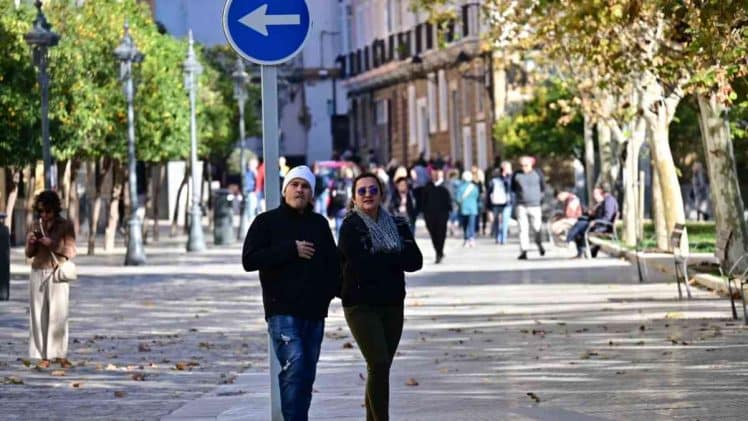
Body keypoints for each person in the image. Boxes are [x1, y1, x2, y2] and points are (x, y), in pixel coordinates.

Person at [242, 165, 340, 421]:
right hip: (282, 311)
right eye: (295, 185)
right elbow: (249, 260)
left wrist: (330, 294)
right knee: (294, 365)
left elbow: (333, 265)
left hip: (314, 312)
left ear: (311, 194)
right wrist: (290, 250)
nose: (300, 189)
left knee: (306, 373)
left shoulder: (319, 224)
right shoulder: (266, 222)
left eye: (305, 186)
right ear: (285, 190)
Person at [338, 173, 423, 421]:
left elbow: (415, 261)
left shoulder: (398, 224)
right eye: (362, 191)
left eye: (372, 190)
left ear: (381, 194)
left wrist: (382, 257)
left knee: (380, 367)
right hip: (360, 305)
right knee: (378, 363)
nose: (367, 195)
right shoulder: (350, 226)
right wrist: (394, 257)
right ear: (354, 198)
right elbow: (360, 266)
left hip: (393, 303)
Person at [25, 190, 76, 369]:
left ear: (55, 209)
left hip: (57, 273)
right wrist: (32, 244)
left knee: (58, 314)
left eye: (48, 211)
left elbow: (71, 251)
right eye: (41, 211)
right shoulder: (35, 225)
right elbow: (29, 254)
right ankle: (42, 355)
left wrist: (51, 244)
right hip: (38, 272)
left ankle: (59, 354)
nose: (44, 215)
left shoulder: (65, 225)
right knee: (39, 315)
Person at [566, 182, 619, 258]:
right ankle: (578, 248)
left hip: (602, 226)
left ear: (601, 191)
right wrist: (592, 213)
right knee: (580, 223)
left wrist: (595, 222)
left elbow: (607, 217)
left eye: (596, 193)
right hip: (598, 224)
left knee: (580, 225)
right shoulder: (605, 201)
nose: (594, 196)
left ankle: (569, 240)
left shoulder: (609, 200)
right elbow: (599, 214)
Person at [511, 156, 546, 260]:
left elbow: (543, 187)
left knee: (537, 228)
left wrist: (540, 199)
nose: (523, 167)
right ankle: (524, 250)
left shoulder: (537, 173)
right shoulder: (516, 174)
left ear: (531, 164)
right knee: (522, 229)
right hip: (521, 205)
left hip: (535, 205)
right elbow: (513, 188)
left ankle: (539, 244)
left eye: (525, 165)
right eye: (521, 165)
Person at [421, 167, 452, 263]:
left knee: (441, 234)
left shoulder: (444, 187)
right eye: (433, 174)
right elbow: (423, 201)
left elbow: (449, 200)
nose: (435, 176)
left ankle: (439, 252)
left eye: (436, 174)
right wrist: (424, 212)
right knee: (433, 234)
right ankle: (438, 250)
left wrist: (448, 212)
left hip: (442, 214)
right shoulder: (427, 187)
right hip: (430, 215)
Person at [456, 171, 480, 247]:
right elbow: (477, 197)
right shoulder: (475, 187)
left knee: (465, 225)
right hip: (473, 208)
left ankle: (466, 239)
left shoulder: (460, 187)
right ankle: (472, 239)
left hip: (464, 209)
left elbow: (458, 199)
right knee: (472, 224)